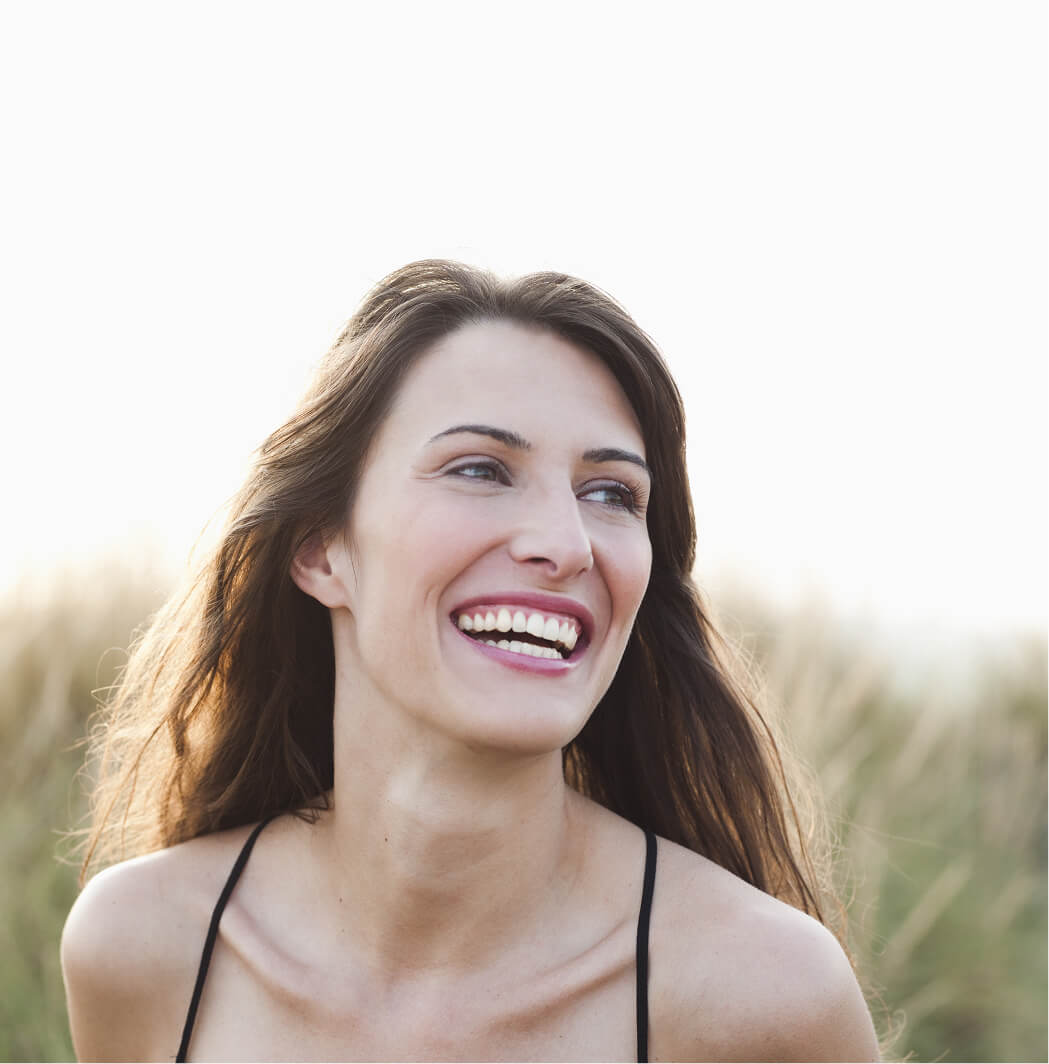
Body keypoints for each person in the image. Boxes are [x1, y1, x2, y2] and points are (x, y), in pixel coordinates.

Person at [61, 260, 879, 1062]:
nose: (565, 545)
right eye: (480, 470)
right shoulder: (142, 948)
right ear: (320, 548)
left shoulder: (766, 998)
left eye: (611, 494)